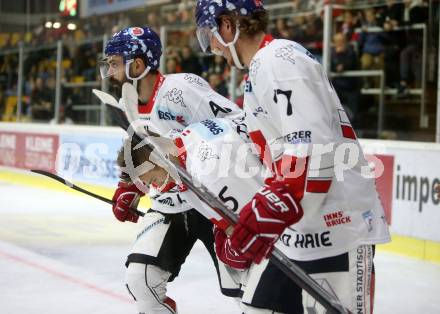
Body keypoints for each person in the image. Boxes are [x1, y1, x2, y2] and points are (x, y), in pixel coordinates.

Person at [194, 1, 391, 313]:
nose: (212, 48)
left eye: (210, 35)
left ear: (227, 26)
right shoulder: (262, 67)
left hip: (338, 227)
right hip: (299, 227)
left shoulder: (276, 60)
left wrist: (266, 213)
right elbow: (275, 154)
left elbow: (311, 147)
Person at [95, 26, 244, 313]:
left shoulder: (180, 90)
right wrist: (129, 186)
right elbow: (139, 149)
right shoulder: (128, 102)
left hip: (214, 203)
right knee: (141, 279)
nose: (110, 72)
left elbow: (238, 123)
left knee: (248, 291)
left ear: (137, 65)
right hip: (171, 206)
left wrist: (191, 155)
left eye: (114, 63)